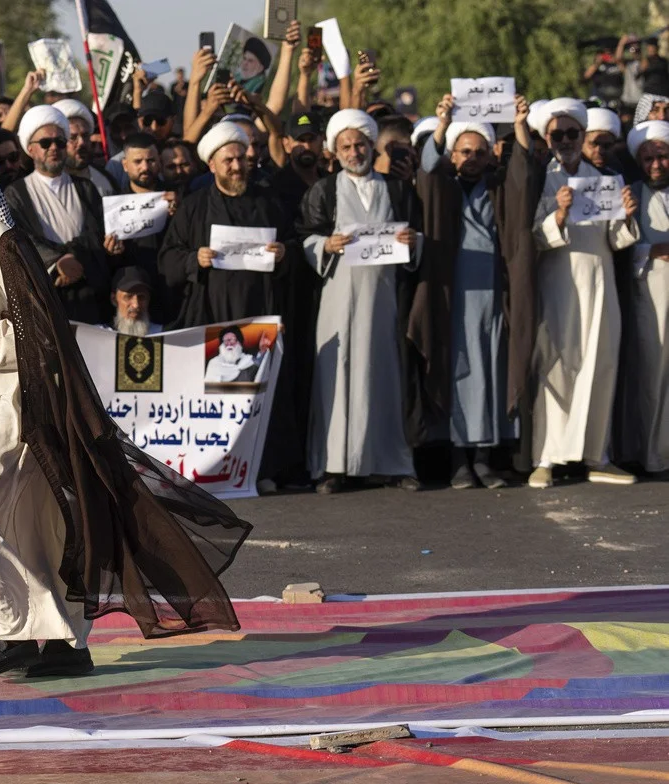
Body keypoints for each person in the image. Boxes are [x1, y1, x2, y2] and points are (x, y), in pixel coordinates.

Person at [0, 146, 248, 677]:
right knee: (35, 528)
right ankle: (65, 644)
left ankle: (12, 629)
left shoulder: (5, 243)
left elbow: (46, 339)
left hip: (28, 406)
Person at [411, 93, 537, 490]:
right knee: (458, 374)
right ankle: (458, 461)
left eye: (479, 152)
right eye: (464, 151)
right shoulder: (442, 187)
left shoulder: (497, 188)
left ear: (489, 155)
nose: (471, 158)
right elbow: (427, 171)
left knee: (492, 373)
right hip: (454, 298)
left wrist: (518, 124)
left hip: (492, 298)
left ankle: (484, 459)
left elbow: (524, 176)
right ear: (453, 153)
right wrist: (443, 124)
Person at [299, 110, 423, 493]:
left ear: (372, 146)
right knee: (334, 379)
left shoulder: (398, 189)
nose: (355, 151)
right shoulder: (323, 190)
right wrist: (325, 244)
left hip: (382, 300)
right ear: (334, 152)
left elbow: (415, 237)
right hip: (338, 298)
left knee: (382, 375)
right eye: (346, 146)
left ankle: (389, 462)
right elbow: (305, 237)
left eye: (360, 144)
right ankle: (333, 466)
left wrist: (412, 243)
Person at [529, 98, 640, 488]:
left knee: (601, 362)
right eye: (557, 134)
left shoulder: (604, 179)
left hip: (600, 280)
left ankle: (598, 455)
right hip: (558, 282)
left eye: (572, 133)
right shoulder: (541, 178)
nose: (565, 140)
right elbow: (532, 238)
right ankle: (547, 457)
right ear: (547, 138)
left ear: (582, 135)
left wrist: (626, 216)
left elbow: (616, 239)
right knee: (556, 366)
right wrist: (556, 215)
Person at [160, 122, 287, 328]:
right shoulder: (194, 206)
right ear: (212, 165)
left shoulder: (268, 202)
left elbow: (292, 245)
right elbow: (167, 259)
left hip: (260, 310)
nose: (237, 167)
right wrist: (195, 259)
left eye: (241, 159)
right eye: (228, 160)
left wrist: (283, 252)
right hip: (210, 313)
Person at [4, 105, 109, 324]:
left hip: (87, 288)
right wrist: (58, 261)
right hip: (47, 293)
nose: (54, 148)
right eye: (45, 143)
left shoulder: (85, 187)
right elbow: (21, 239)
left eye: (60, 142)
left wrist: (74, 258)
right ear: (30, 149)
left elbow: (96, 231)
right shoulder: (16, 192)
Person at [616, 121, 669, 477]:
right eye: (648, 157)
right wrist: (653, 249)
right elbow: (620, 244)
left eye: (662, 155)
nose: (655, 164)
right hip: (652, 295)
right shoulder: (631, 193)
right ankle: (657, 457)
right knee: (655, 379)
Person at [113, 131, 178, 322]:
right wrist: (112, 251)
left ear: (159, 161)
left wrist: (178, 216)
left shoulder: (175, 199)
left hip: (169, 295)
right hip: (133, 299)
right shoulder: (113, 207)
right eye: (137, 161)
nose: (145, 167)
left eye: (150, 161)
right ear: (125, 165)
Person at [52, 98, 116, 196]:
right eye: (72, 137)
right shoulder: (47, 184)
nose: (81, 143)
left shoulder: (105, 179)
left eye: (85, 136)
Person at [205, 326, 270, 382]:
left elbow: (260, 365)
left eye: (232, 340)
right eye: (225, 341)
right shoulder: (214, 364)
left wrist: (263, 350)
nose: (229, 344)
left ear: (239, 343)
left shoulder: (248, 361)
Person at [109, 266, 162, 335]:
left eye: (141, 297)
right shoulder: (98, 335)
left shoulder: (163, 336)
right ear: (114, 299)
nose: (136, 305)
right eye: (128, 297)